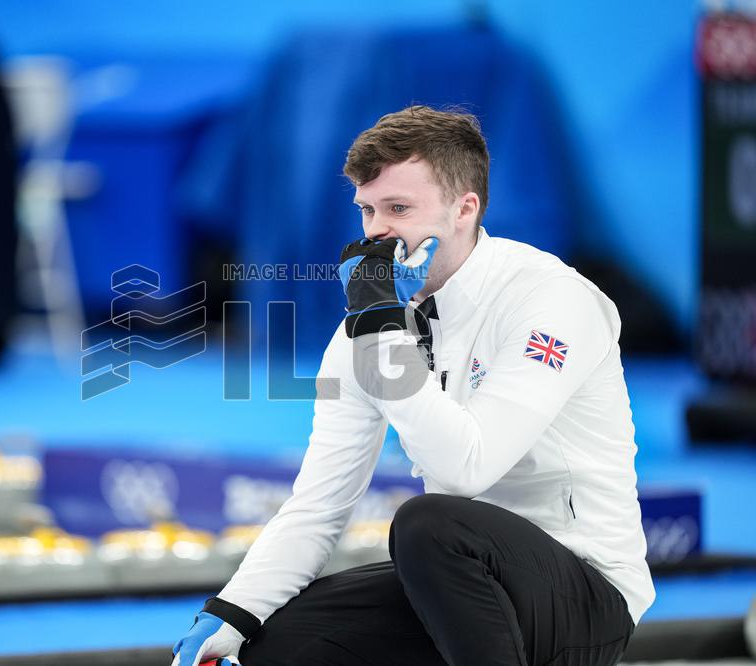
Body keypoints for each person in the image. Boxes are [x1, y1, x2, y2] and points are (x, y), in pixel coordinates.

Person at [171, 105, 655, 666]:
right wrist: (233, 611)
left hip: (586, 592)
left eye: (399, 208)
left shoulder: (550, 299)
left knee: (428, 525)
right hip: (466, 587)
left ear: (463, 210)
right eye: (367, 210)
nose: (377, 232)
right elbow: (320, 504)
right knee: (278, 642)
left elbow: (466, 469)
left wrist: (380, 335)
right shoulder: (365, 332)